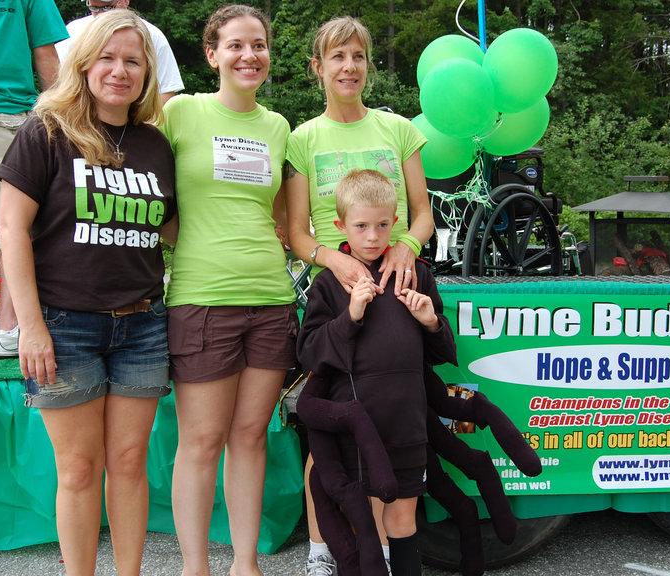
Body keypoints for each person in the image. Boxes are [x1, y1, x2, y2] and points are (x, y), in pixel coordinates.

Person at [0, 10, 176, 576]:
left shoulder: (153, 145)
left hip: (143, 326)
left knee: (128, 465)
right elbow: (10, 232)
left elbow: (171, 229)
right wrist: (31, 326)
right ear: (83, 62)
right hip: (64, 326)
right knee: (77, 469)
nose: (119, 70)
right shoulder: (45, 132)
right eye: (107, 57)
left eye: (132, 60)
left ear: (146, 72)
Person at [284, 16, 433, 574]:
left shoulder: (398, 129)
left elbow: (422, 214)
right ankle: (323, 551)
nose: (349, 67)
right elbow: (297, 233)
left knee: (387, 421)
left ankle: (382, 551)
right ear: (317, 68)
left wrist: (406, 247)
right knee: (329, 421)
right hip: (334, 292)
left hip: (396, 284)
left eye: (359, 56)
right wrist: (336, 258)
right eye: (337, 57)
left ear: (368, 66)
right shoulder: (303, 139)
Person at [158, 5, 296, 576]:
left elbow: (287, 222)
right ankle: (195, 568)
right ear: (211, 54)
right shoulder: (180, 113)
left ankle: (245, 565)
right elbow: (146, 192)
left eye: (258, 45)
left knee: (250, 436)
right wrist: (179, 239)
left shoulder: (278, 126)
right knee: (202, 440)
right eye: (235, 45)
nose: (249, 55)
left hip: (270, 298)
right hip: (201, 299)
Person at [296, 169, 457, 576]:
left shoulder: (415, 275)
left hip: (405, 428)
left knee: (401, 521)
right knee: (359, 525)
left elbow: (443, 353)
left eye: (383, 225)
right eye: (362, 226)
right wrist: (350, 317)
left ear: (396, 221)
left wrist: (430, 321)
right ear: (340, 226)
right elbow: (310, 354)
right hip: (354, 432)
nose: (373, 236)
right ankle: (324, 555)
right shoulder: (331, 285)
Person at [0, 0, 68, 357]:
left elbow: (45, 54)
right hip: (7, 113)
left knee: (12, 223)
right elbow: (46, 56)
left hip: (7, 114)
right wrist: (65, 120)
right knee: (15, 223)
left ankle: (9, 327)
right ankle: (9, 327)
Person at [56, 0, 184, 104]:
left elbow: (165, 94)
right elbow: (60, 86)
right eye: (94, 8)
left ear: (125, 1)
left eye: (108, 7)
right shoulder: (72, 32)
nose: (101, 14)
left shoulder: (153, 36)